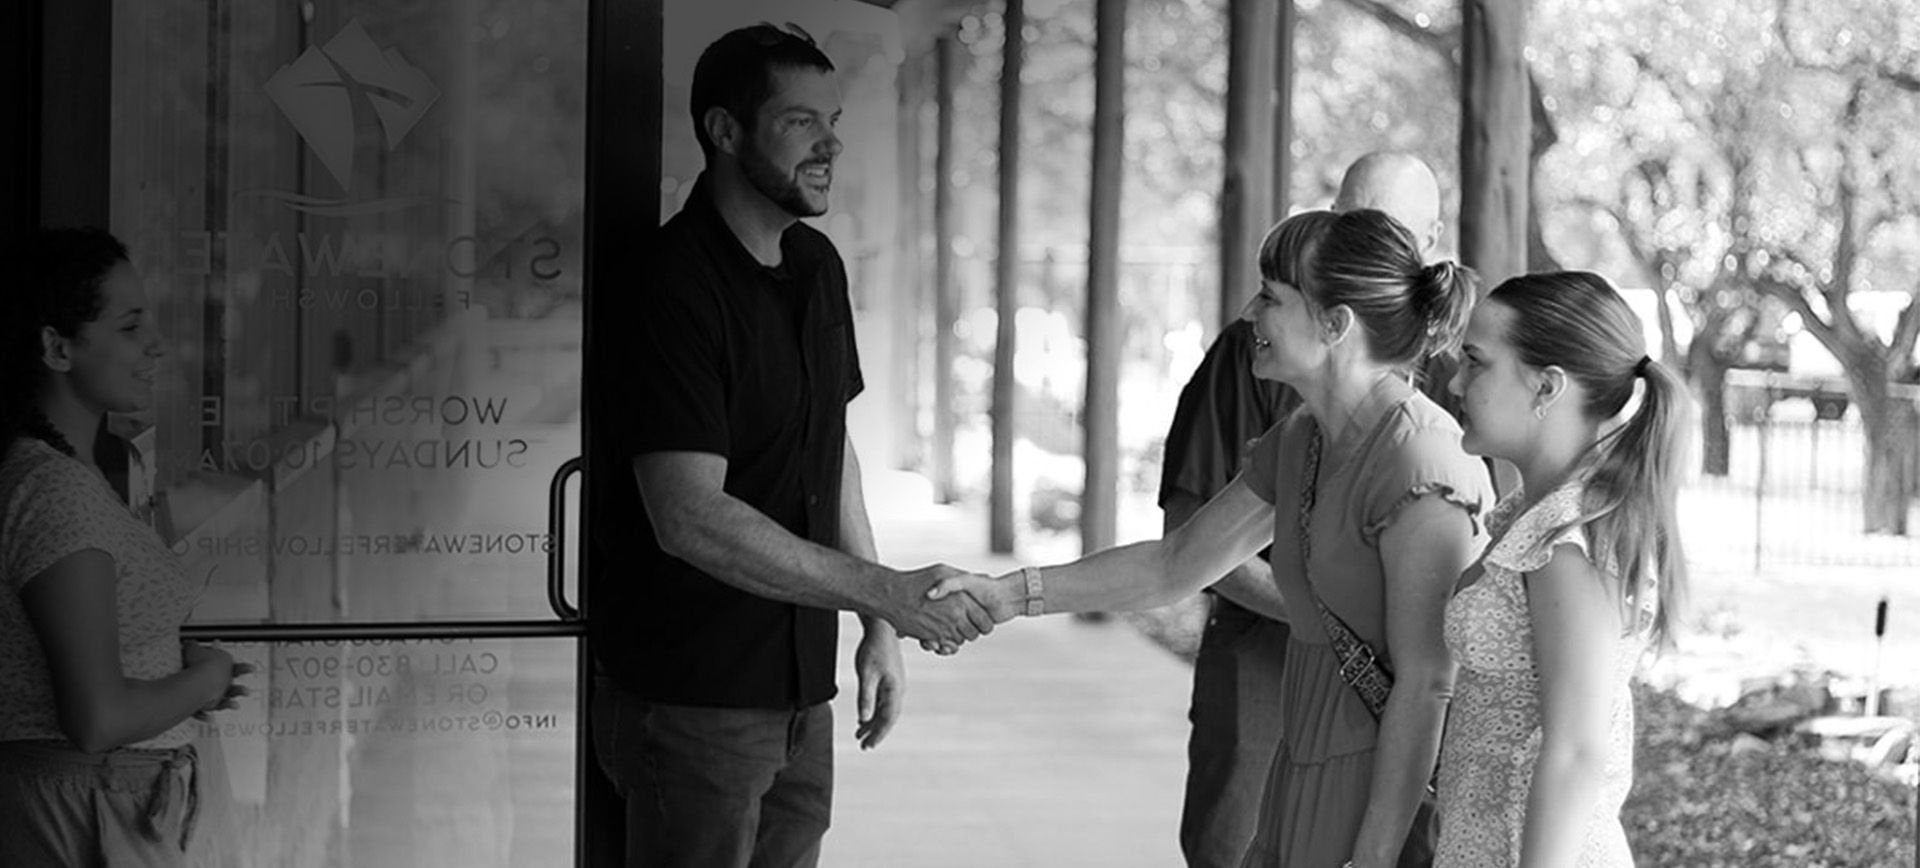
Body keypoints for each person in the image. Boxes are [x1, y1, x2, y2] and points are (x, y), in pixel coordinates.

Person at [936, 208, 1494, 868]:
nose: (1251, 314)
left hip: (1384, 798)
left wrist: (1373, 854)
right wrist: (1007, 595)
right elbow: (1174, 564)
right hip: (1303, 767)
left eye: (1271, 297)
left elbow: (1430, 683)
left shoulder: (1421, 460)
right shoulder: (1302, 440)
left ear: (1334, 324)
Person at [585, 23, 994, 868]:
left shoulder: (816, 265)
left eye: (833, 120)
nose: (831, 143)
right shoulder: (670, 286)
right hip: (693, 701)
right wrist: (884, 588)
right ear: (725, 132)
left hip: (801, 696)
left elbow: (827, 448)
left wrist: (878, 616)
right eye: (801, 121)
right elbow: (687, 515)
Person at [1170, 153, 1446, 868]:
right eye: (1345, 221)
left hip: (1396, 697)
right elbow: (1183, 548)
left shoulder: (1446, 411)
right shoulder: (1269, 383)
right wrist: (1020, 593)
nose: (1355, 246)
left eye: (1385, 232)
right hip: (1270, 668)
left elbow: (1436, 658)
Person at [0, 227, 250, 865]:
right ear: (57, 347)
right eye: (129, 326)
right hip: (88, 818)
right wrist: (205, 678)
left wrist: (169, 661)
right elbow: (98, 718)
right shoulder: (55, 492)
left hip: (108, 808)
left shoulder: (71, 475)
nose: (156, 345)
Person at [1437, 271, 1691, 867]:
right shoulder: (1534, 517)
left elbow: (1577, 751)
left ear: (1547, 386)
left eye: (1476, 363)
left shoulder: (1566, 541)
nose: (1455, 382)